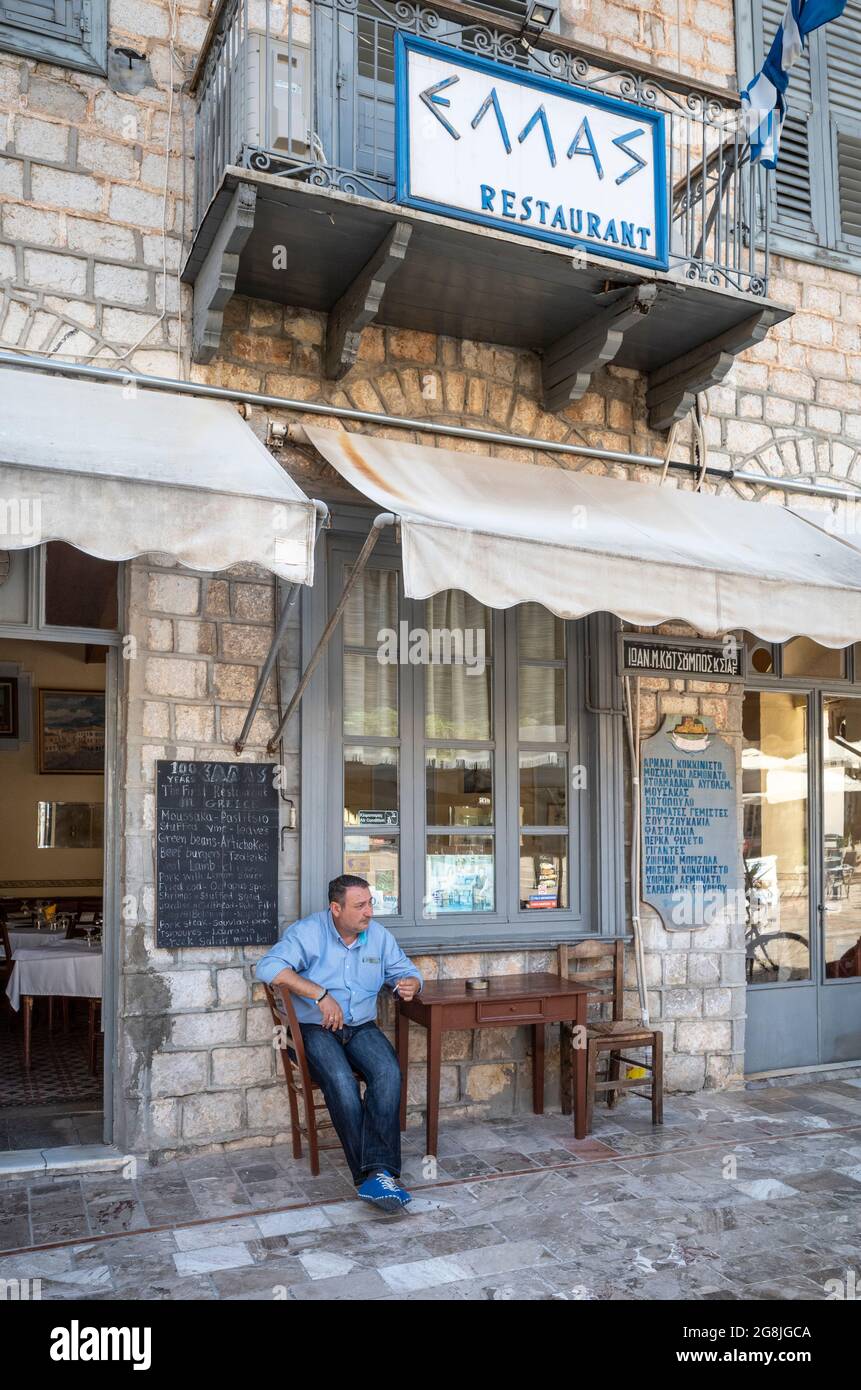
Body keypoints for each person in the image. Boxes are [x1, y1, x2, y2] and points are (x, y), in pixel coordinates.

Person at [254, 874, 423, 1213]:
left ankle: (377, 1175)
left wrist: (410, 984)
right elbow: (268, 967)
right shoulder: (308, 932)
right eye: (360, 906)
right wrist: (320, 994)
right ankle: (373, 1176)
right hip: (314, 1030)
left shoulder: (377, 936)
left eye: (371, 903)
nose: (369, 912)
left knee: (388, 1072)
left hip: (360, 1026)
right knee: (342, 1082)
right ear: (336, 908)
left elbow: (406, 970)